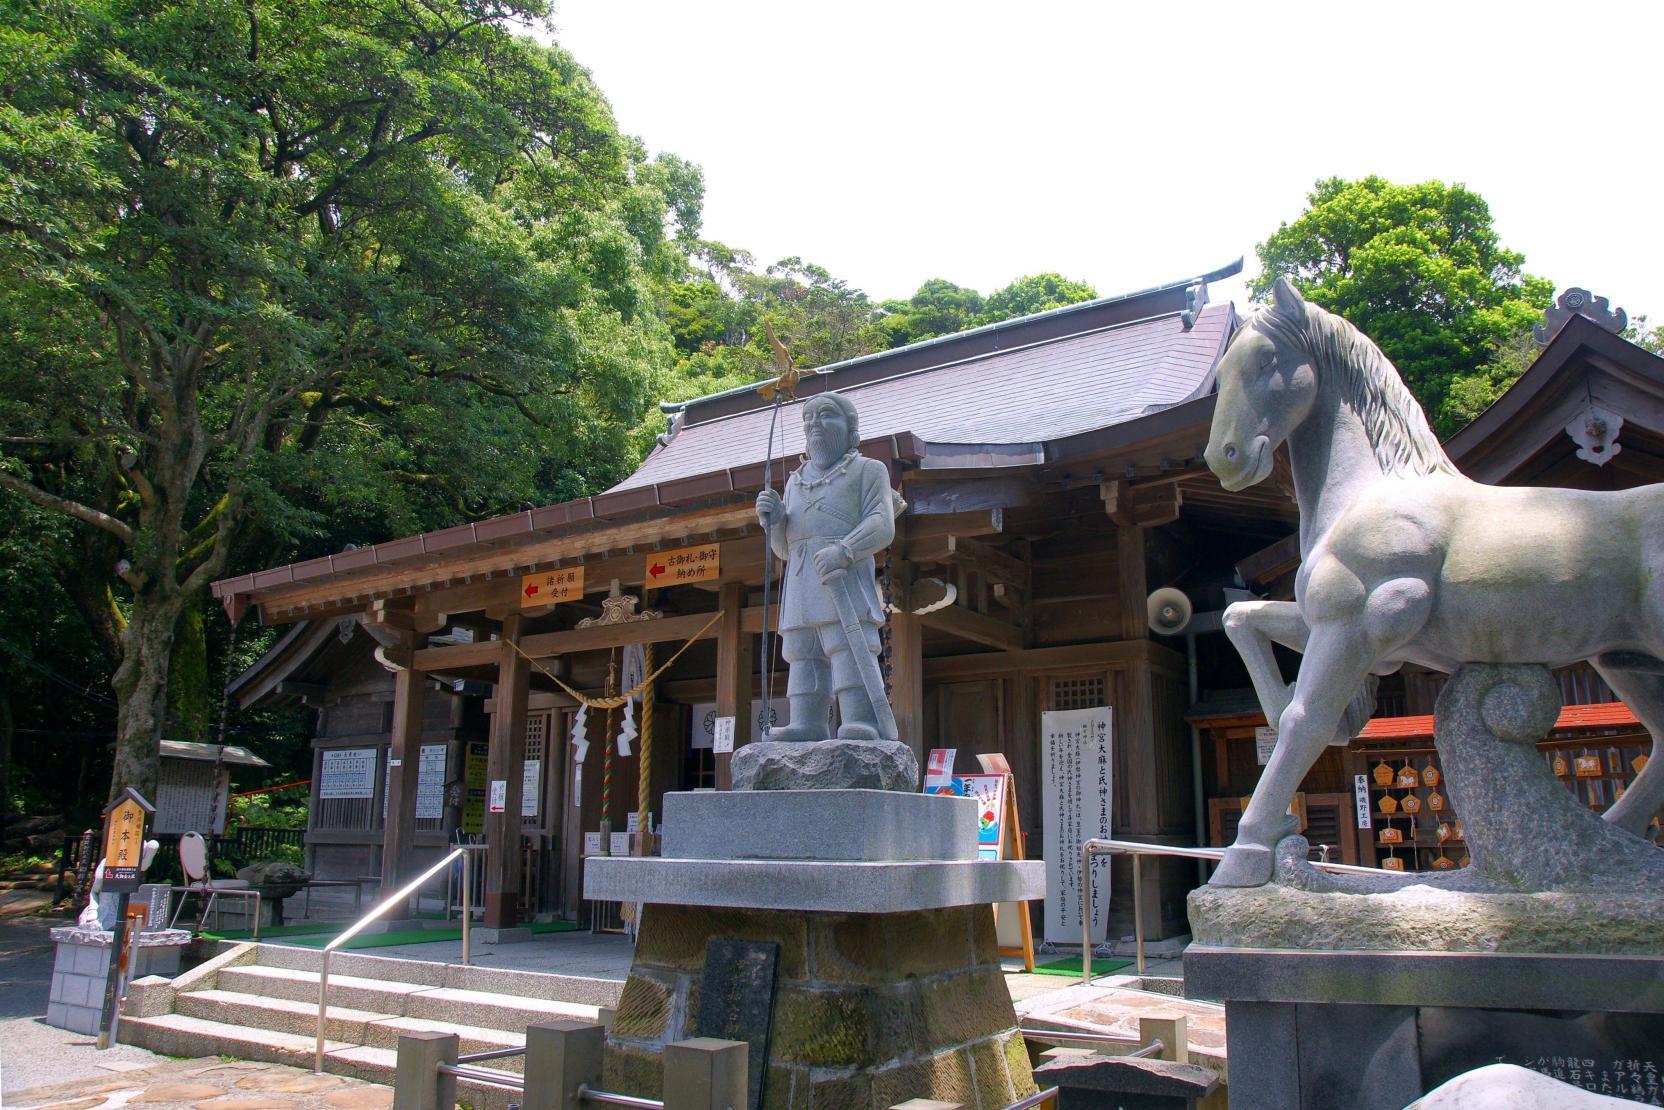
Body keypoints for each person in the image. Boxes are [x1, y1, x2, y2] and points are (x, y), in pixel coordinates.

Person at [755, 392, 899, 741]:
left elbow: (883, 522)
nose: (814, 423)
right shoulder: (795, 481)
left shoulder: (868, 470)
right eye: (809, 417)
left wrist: (846, 549)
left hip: (843, 577)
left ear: (850, 428)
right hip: (802, 580)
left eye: (826, 415)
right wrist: (773, 522)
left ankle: (860, 720)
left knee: (849, 647)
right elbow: (785, 550)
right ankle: (807, 723)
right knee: (803, 653)